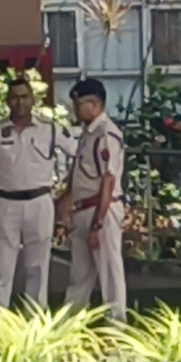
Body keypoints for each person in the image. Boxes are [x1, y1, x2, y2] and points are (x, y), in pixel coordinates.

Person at [0, 73, 66, 308]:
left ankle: (35, 320)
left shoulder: (50, 130)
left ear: (33, 100)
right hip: (6, 203)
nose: (20, 102)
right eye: (14, 98)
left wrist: (69, 196)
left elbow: (81, 155)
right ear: (7, 101)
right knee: (1, 266)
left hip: (40, 201)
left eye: (24, 97)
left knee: (38, 267)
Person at [60, 77, 129, 317]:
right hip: (84, 208)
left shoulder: (106, 134)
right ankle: (69, 322)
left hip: (101, 209)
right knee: (80, 273)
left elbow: (108, 179)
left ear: (95, 104)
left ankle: (117, 324)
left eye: (80, 104)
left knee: (109, 271)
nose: (76, 110)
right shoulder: (89, 134)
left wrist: (98, 223)